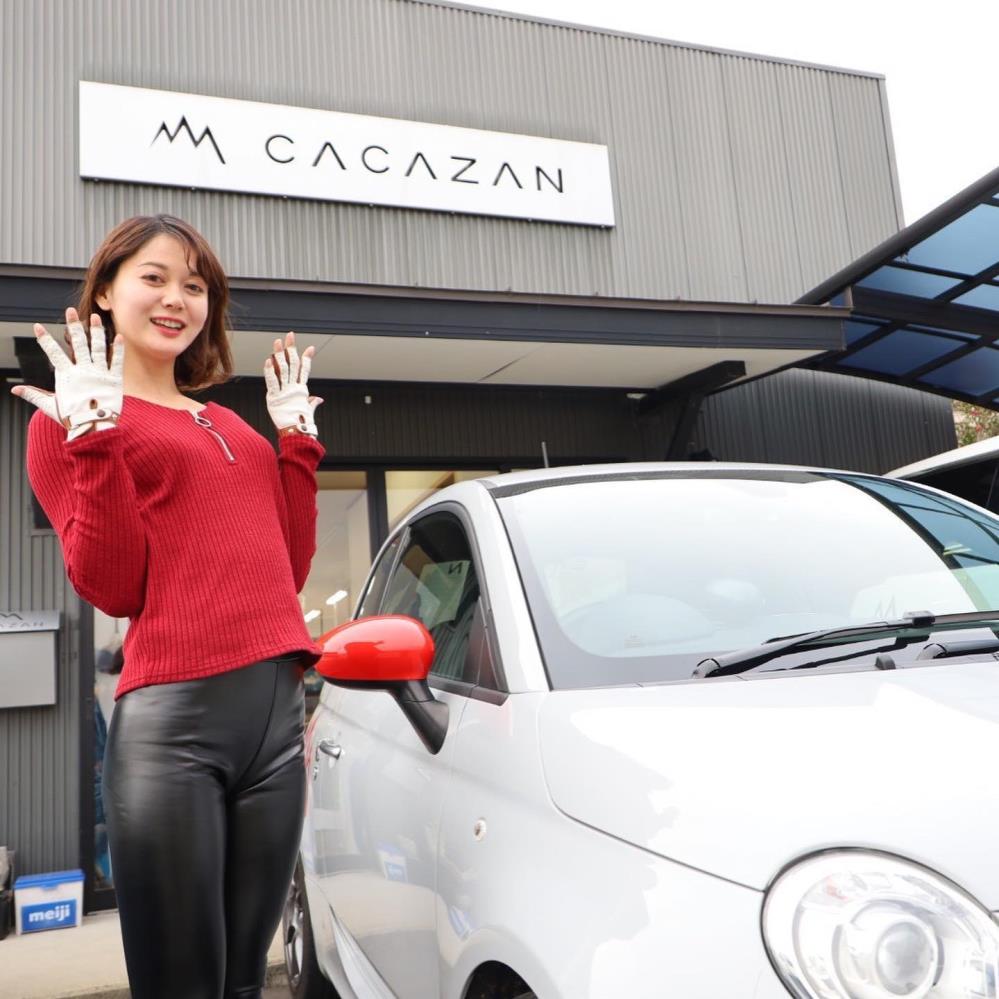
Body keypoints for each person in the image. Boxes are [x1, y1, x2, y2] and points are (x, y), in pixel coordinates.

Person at [12, 214, 325, 999]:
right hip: (176, 730)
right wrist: (94, 437)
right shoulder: (65, 423)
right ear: (106, 292)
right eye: (153, 277)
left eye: (194, 285)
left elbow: (287, 570)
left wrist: (294, 443)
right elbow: (112, 586)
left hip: (276, 729)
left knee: (246, 981)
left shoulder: (230, 424)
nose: (176, 298)